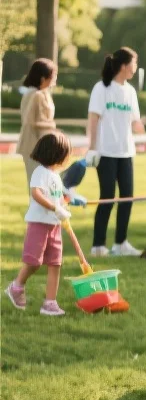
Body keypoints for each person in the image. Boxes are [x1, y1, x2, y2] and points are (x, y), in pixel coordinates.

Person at [6, 132, 82, 316]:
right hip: (39, 224)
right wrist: (55, 208)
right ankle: (16, 287)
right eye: (65, 153)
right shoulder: (41, 172)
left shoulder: (55, 175)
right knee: (34, 262)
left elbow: (58, 197)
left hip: (54, 225)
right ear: (56, 154)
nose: (67, 157)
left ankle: (50, 303)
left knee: (55, 263)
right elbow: (37, 194)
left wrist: (69, 200)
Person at [87, 47, 145, 257]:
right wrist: (92, 148)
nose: (135, 67)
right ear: (124, 65)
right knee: (108, 197)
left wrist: (144, 126)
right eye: (134, 63)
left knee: (127, 197)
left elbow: (136, 122)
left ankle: (121, 243)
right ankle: (98, 245)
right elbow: (93, 119)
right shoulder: (102, 88)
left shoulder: (130, 91)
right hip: (106, 152)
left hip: (126, 152)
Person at [17, 59, 59, 190]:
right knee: (38, 188)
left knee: (45, 187)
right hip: (34, 146)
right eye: (53, 75)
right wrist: (52, 126)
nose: (55, 78)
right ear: (42, 78)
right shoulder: (35, 95)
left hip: (41, 146)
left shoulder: (42, 93)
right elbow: (30, 121)